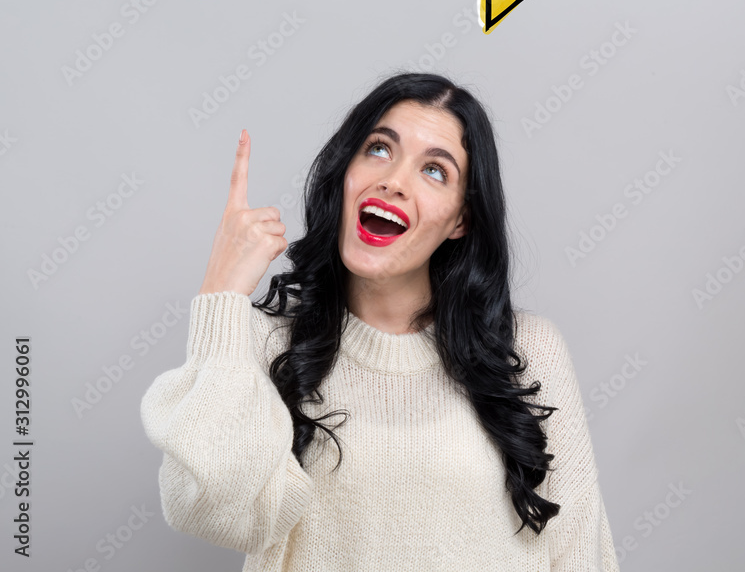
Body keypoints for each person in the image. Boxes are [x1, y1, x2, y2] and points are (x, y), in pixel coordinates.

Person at [141, 72, 619, 571]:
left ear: (461, 219)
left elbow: (578, 548)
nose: (394, 180)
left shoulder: (527, 351)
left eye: (435, 171)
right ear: (346, 171)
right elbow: (213, 514)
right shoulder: (265, 345)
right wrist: (221, 297)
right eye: (379, 149)